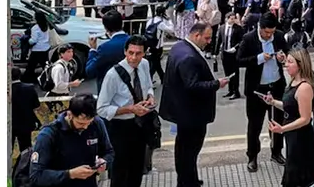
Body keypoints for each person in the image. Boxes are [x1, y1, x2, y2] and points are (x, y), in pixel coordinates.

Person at [161, 22, 227, 187]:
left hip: (182, 111)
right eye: (207, 38)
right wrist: (217, 84)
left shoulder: (179, 47)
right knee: (189, 152)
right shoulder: (189, 57)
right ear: (196, 35)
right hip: (191, 114)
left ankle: (189, 178)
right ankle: (187, 182)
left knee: (184, 150)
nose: (209, 42)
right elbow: (193, 85)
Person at [96, 35, 155, 187]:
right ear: (125, 52)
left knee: (137, 168)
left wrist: (150, 97)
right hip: (120, 128)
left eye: (138, 53)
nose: (134, 58)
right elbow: (101, 108)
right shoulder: (112, 75)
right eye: (131, 53)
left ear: (144, 53)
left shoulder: (144, 64)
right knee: (120, 171)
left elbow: (148, 86)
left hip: (141, 124)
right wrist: (130, 109)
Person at [236, 12, 288, 172]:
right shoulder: (249, 38)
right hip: (257, 89)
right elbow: (239, 60)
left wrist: (283, 58)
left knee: (278, 122)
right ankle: (252, 156)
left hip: (277, 86)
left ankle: (276, 152)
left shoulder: (279, 36)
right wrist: (258, 58)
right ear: (260, 27)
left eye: (272, 32)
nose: (269, 35)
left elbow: (287, 53)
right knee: (254, 125)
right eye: (266, 32)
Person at [28, 94, 114, 187]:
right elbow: (36, 176)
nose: (85, 127)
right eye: (80, 123)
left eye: (89, 123)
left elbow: (109, 152)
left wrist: (104, 162)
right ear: (69, 115)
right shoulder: (48, 135)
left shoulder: (97, 124)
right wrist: (70, 174)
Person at [264, 48, 314, 187]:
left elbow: (305, 118)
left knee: (299, 173)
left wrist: (282, 128)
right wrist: (273, 102)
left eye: (290, 62)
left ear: (300, 65)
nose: (286, 65)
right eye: (286, 61)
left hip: (301, 137)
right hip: (292, 135)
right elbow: (290, 107)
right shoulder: (293, 82)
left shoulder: (304, 87)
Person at [84, 10, 129, 93]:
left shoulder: (105, 47)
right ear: (122, 24)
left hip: (109, 91)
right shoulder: (133, 41)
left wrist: (93, 50)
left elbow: (90, 71)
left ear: (106, 28)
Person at [10, 68, 40, 152]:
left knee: (8, 149)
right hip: (26, 123)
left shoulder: (7, 90)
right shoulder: (29, 88)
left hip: (10, 124)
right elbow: (36, 106)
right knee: (26, 150)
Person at [218, 11, 244, 99]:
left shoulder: (238, 28)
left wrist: (235, 48)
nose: (233, 20)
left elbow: (242, 41)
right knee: (227, 73)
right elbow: (219, 40)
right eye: (231, 19)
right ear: (226, 19)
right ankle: (230, 90)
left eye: (234, 19)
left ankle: (236, 92)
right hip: (225, 53)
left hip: (233, 54)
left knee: (235, 73)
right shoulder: (222, 27)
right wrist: (215, 52)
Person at [25, 10, 52, 84]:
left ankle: (28, 80)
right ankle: (49, 79)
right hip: (45, 48)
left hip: (37, 49)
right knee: (45, 66)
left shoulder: (35, 28)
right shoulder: (46, 26)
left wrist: (28, 40)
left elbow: (33, 40)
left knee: (31, 67)